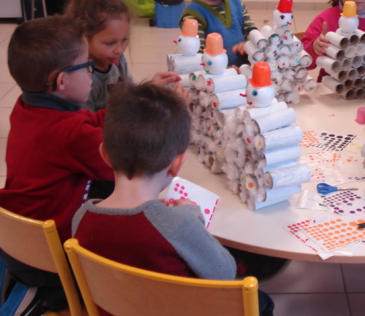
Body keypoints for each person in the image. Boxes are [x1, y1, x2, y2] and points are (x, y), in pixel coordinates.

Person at [72, 82, 274, 316]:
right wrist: (191, 215)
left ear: (104, 154)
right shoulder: (178, 223)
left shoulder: (81, 218)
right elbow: (225, 272)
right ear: (177, 164)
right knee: (261, 302)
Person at [0, 16, 114, 312]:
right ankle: (42, 295)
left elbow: (85, 121)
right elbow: (123, 163)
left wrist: (125, 108)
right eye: (87, 65)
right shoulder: (71, 135)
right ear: (62, 80)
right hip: (48, 260)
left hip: (19, 236)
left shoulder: (27, 105)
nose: (92, 71)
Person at [65, 0, 182, 112]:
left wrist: (149, 89)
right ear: (83, 36)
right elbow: (86, 127)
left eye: (124, 40)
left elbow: (129, 94)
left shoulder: (117, 58)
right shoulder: (81, 79)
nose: (119, 50)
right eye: (110, 43)